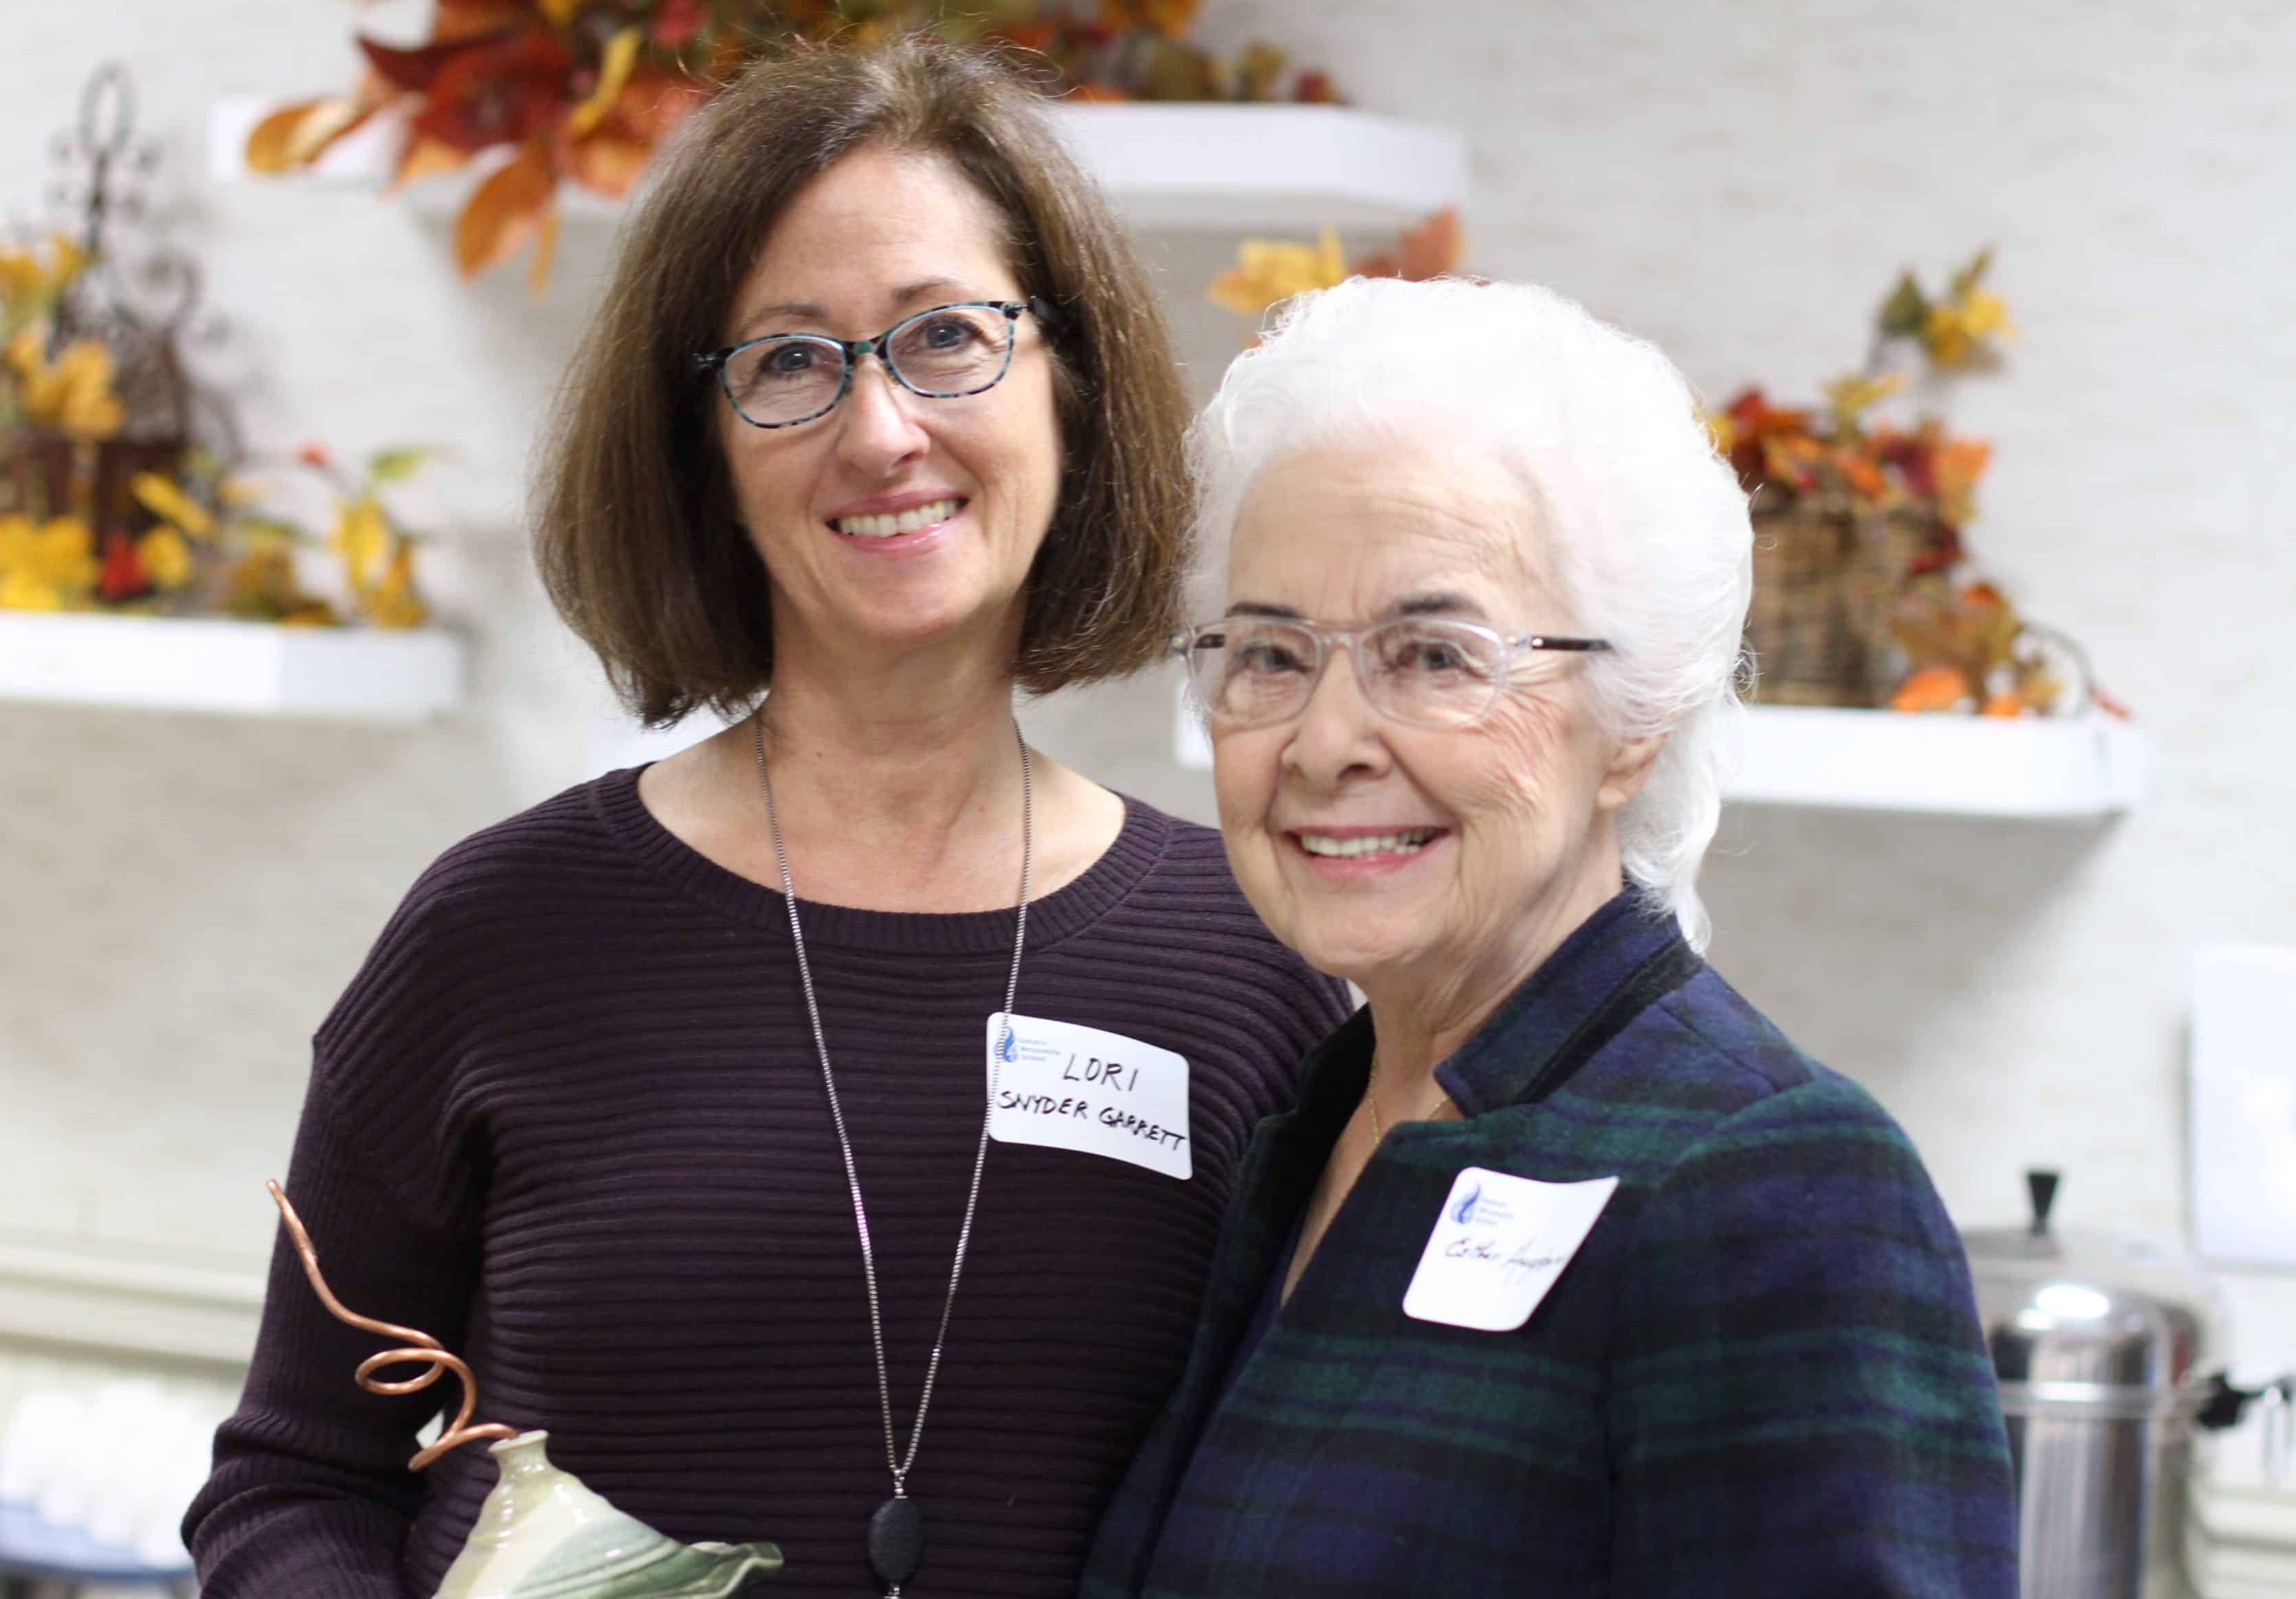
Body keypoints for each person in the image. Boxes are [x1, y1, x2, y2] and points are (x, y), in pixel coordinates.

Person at [185, 38, 1346, 1599]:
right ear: (704, 455)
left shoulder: (1251, 964)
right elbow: (297, 1482)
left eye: (947, 337)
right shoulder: (502, 936)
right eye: (790, 362)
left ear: (1068, 383)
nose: (881, 434)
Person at [1080, 276, 2017, 1598]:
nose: (1329, 741)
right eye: (1272, 654)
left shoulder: (1776, 1185)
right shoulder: (1311, 1128)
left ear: (1632, 722)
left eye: (1436, 656)